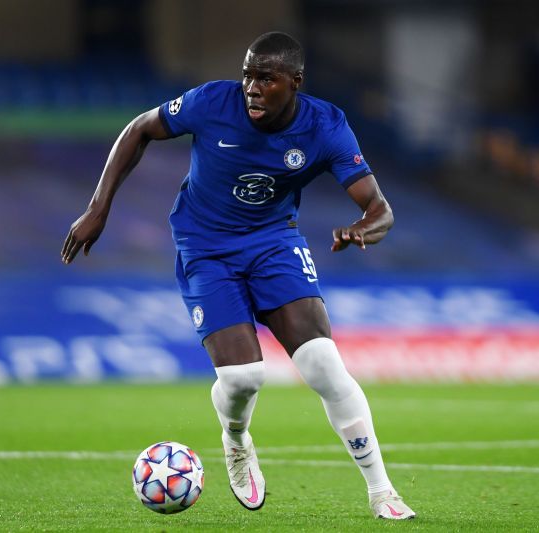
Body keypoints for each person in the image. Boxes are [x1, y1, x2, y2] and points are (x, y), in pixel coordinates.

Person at [61, 31, 415, 520]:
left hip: (274, 243)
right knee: (245, 376)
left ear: (295, 82)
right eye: (247, 75)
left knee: (324, 366)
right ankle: (235, 440)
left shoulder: (326, 126)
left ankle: (382, 493)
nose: (250, 87)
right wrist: (98, 207)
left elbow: (380, 208)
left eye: (265, 79)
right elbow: (140, 128)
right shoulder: (211, 101)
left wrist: (363, 228)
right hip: (205, 247)